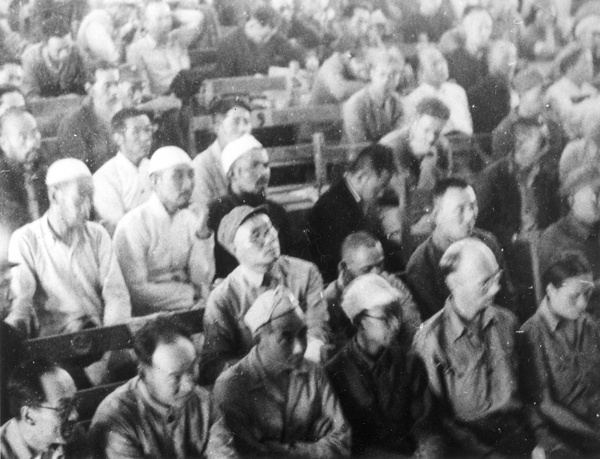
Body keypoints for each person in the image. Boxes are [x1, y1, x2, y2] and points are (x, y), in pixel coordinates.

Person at [413, 238, 534, 456]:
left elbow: (529, 390)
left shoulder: (507, 322)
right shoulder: (430, 341)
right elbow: (437, 421)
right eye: (485, 283)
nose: (496, 288)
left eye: (497, 277)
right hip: (468, 448)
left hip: (517, 437)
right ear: (454, 284)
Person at [213, 287, 351, 457]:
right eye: (286, 338)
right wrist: (313, 445)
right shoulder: (232, 386)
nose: (299, 348)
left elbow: (343, 440)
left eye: (302, 334)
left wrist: (280, 449)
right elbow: (247, 454)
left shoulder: (313, 372)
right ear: (258, 339)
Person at [200, 205, 330, 385]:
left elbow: (318, 327)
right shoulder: (223, 297)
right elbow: (212, 363)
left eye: (269, 230)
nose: (269, 239)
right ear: (234, 249)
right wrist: (260, 368)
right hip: (256, 386)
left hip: (306, 373)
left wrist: (306, 364)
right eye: (256, 236)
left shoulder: (305, 272)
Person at [6, 158, 131, 338]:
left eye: (91, 197)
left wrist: (111, 342)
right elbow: (21, 305)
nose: (88, 209)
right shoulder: (26, 240)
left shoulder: (97, 235)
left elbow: (116, 296)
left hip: (100, 339)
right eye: (80, 198)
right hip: (55, 348)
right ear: (54, 196)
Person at [326, 274, 442, 457]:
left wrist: (428, 449)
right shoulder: (335, 373)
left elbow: (426, 422)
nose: (395, 324)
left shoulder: (410, 363)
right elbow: (349, 443)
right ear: (359, 321)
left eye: (397, 313)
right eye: (385, 317)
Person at [89, 317, 238, 458]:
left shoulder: (205, 403)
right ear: (145, 372)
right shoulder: (116, 419)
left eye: (192, 368)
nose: (189, 385)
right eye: (175, 376)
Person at [476, 117, 561, 321]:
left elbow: (554, 218)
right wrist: (514, 238)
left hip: (542, 247)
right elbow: (482, 224)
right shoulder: (494, 177)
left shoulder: (547, 177)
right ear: (519, 143)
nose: (545, 148)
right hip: (509, 252)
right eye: (540, 142)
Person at [114, 146, 215, 316]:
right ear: (155, 181)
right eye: (178, 176)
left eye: (191, 175)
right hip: (149, 316)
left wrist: (202, 234)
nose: (188, 184)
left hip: (191, 307)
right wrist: (191, 294)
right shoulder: (132, 224)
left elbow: (202, 279)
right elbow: (137, 290)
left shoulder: (190, 219)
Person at [519, 251, 600, 457]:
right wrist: (595, 435)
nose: (583, 304)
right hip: (567, 435)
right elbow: (547, 407)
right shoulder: (530, 334)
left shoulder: (586, 323)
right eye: (574, 296)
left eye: (587, 293)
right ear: (551, 290)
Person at [407, 177, 513, 321]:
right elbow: (435, 323)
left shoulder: (488, 243)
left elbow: (506, 301)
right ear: (436, 215)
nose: (470, 216)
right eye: (460, 209)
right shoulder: (420, 264)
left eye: (473, 206)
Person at [306, 143, 397, 282]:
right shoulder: (332, 207)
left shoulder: (357, 198)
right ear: (361, 177)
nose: (381, 194)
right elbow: (343, 263)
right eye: (379, 187)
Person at [207, 134, 292, 278]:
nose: (263, 173)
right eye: (254, 166)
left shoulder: (277, 212)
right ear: (232, 174)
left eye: (265, 165)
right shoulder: (215, 213)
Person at [325, 231, 421, 349]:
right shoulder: (330, 300)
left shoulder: (393, 285)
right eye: (367, 269)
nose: (376, 274)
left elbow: (414, 330)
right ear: (344, 268)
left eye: (380, 264)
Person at [379, 96, 450, 239]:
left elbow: (445, 187)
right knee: (405, 237)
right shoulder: (392, 146)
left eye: (437, 132)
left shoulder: (442, 145)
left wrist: (429, 163)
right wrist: (427, 162)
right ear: (414, 121)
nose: (431, 138)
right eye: (426, 130)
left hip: (427, 206)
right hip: (390, 206)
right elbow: (403, 196)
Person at [538, 166, 600, 310]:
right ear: (570, 198)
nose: (598, 201)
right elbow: (564, 299)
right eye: (595, 194)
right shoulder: (553, 238)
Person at [0, 359, 81, 459]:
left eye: (75, 402)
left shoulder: (74, 435)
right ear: (29, 416)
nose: (75, 415)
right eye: (63, 407)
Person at [93, 108, 153, 236]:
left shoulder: (155, 167)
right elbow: (120, 226)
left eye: (148, 130)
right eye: (136, 132)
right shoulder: (103, 178)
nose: (145, 138)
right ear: (118, 139)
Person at [126, 1, 202, 97]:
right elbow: (145, 92)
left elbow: (197, 17)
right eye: (159, 19)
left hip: (190, 96)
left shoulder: (177, 39)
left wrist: (171, 13)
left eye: (168, 17)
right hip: (165, 103)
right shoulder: (137, 50)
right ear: (146, 23)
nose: (166, 23)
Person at [57, 62, 121, 173]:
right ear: (90, 89)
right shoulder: (73, 124)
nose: (115, 91)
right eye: (107, 86)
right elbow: (79, 171)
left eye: (116, 84)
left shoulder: (124, 115)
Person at [492, 67, 565, 164]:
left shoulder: (551, 123)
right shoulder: (505, 131)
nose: (544, 98)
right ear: (522, 94)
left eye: (545, 92)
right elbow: (502, 172)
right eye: (540, 92)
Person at [191, 96, 252, 208]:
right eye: (236, 121)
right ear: (217, 127)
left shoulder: (251, 160)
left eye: (247, 122)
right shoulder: (200, 166)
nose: (243, 128)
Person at [215, 5, 304, 78]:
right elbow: (223, 82)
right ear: (254, 24)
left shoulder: (273, 36)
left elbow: (296, 56)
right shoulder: (228, 43)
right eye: (265, 35)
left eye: (271, 35)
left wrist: (295, 63)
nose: (268, 39)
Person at [404, 46, 472, 135]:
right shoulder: (413, 100)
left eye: (442, 61)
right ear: (421, 72)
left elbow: (468, 126)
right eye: (434, 64)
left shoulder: (458, 91)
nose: (441, 67)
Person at [342, 48, 404, 145]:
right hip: (358, 157)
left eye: (393, 75)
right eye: (382, 74)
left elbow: (401, 138)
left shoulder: (398, 103)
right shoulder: (355, 104)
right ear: (372, 73)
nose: (386, 81)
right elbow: (359, 145)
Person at [0, 108, 47, 226]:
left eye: (35, 133)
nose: (32, 142)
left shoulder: (43, 164)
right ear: (4, 143)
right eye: (23, 137)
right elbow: (12, 223)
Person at [21, 14, 86, 98]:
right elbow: (31, 96)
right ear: (45, 44)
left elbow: (89, 81)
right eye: (59, 50)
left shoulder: (76, 51)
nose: (65, 53)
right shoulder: (31, 59)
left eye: (67, 47)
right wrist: (61, 101)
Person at [546, 42, 599, 140]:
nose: (590, 68)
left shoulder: (591, 90)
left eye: (591, 63)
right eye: (585, 63)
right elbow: (569, 114)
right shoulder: (555, 91)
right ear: (570, 67)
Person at [467, 40, 518, 137]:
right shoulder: (479, 93)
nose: (512, 63)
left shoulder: (515, 87)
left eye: (514, 57)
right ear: (494, 61)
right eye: (506, 58)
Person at [442, 7, 492, 91]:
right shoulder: (453, 58)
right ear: (467, 28)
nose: (484, 33)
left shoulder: (491, 55)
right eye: (480, 27)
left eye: (488, 27)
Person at [77, 0, 140, 66]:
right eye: (126, 16)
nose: (127, 20)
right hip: (91, 72)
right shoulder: (96, 23)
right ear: (119, 8)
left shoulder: (109, 22)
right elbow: (112, 58)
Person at [308, 40, 368, 106]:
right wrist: (370, 86)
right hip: (317, 112)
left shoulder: (348, 64)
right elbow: (340, 91)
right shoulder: (331, 65)